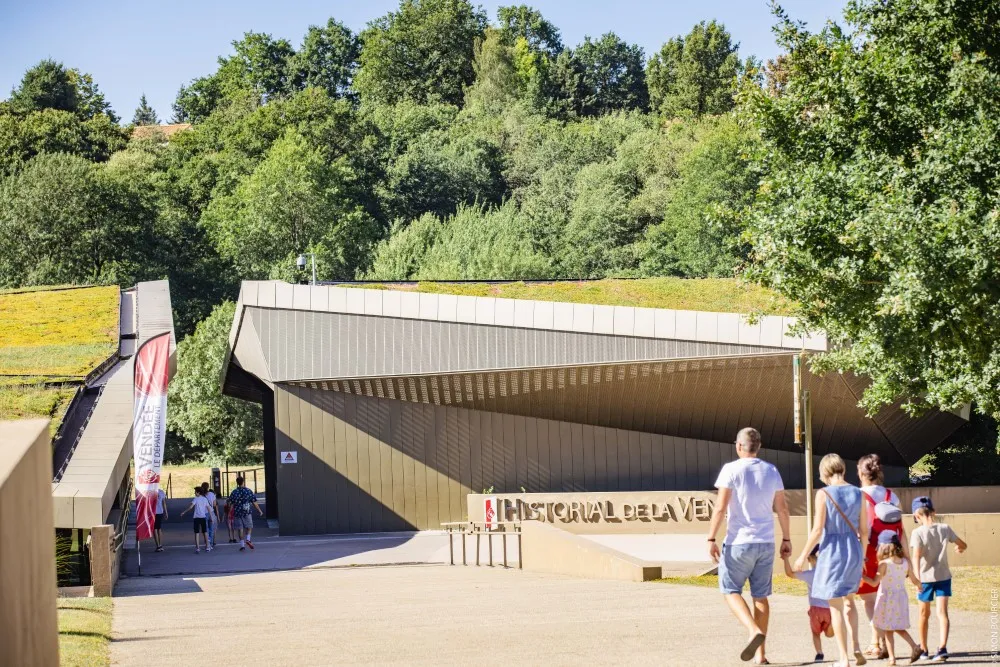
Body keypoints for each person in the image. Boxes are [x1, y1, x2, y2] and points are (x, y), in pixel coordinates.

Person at [707, 427, 792, 664]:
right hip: (765, 541)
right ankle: (761, 656)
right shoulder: (771, 470)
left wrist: (711, 538)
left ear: (738, 446)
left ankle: (753, 629)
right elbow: (783, 509)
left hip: (738, 542)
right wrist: (786, 538)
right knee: (761, 597)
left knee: (730, 589)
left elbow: (721, 507)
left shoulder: (731, 470)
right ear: (759, 446)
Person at [794, 453, 869, 667]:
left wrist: (801, 556)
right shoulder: (858, 493)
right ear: (843, 469)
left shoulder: (824, 494)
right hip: (854, 551)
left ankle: (844, 657)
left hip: (832, 552)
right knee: (850, 601)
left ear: (824, 473)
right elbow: (864, 530)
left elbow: (818, 530)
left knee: (835, 606)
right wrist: (862, 556)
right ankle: (856, 646)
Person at [857, 454, 907, 660]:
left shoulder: (859, 495)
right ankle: (881, 642)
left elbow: (859, 529)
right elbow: (901, 528)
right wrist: (908, 559)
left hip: (869, 550)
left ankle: (876, 643)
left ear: (861, 473)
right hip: (892, 551)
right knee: (883, 595)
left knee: (869, 599)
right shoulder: (891, 496)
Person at [910, 496, 968, 662]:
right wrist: (959, 548)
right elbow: (963, 544)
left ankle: (924, 649)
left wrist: (916, 579)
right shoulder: (945, 528)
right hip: (943, 576)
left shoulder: (917, 532)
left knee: (923, 614)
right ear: (933, 512)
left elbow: (916, 556)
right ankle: (942, 648)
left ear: (916, 515)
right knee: (942, 613)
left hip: (925, 578)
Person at [861, 532, 922, 665]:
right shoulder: (905, 562)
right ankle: (914, 647)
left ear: (883, 547)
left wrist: (863, 577)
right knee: (896, 626)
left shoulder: (884, 564)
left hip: (886, 599)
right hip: (900, 598)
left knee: (888, 629)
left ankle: (892, 659)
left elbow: (874, 583)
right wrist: (919, 586)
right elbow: (914, 579)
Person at [782, 546, 833, 662]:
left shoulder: (809, 574)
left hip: (815, 609)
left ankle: (819, 653)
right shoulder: (830, 573)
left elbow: (790, 573)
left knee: (816, 633)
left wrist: (785, 559)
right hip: (829, 608)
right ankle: (831, 625)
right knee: (830, 634)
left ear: (809, 560)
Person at [228, 475, 263, 552]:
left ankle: (242, 546)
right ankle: (248, 539)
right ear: (243, 482)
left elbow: (231, 504)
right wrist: (259, 510)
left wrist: (229, 513)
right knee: (249, 527)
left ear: (237, 483)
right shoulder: (248, 491)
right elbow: (254, 502)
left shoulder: (234, 492)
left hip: (237, 513)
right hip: (247, 512)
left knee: (240, 529)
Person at [179, 486, 212, 553]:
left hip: (196, 518)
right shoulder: (204, 499)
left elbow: (190, 507)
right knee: (205, 532)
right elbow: (209, 508)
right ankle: (208, 547)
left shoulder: (196, 499)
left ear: (198, 492)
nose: (195, 493)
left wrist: (184, 512)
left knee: (196, 533)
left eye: (195, 492)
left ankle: (198, 548)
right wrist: (211, 516)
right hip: (203, 517)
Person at [201, 482, 220, 547]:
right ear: (208, 487)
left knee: (206, 529)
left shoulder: (201, 495)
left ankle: (207, 543)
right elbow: (214, 504)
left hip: (203, 513)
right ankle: (211, 543)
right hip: (211, 513)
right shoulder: (212, 494)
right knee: (211, 529)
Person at [153, 487, 168, 552]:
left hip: (153, 513)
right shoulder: (161, 492)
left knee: (155, 529)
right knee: (159, 528)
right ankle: (160, 545)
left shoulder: (150, 492)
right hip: (160, 512)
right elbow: (164, 503)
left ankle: (158, 546)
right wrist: (166, 512)